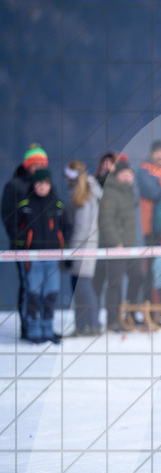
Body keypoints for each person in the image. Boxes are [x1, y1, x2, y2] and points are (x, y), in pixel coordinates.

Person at [14, 169, 68, 344]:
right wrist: (23, 244)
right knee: (33, 294)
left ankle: (48, 329)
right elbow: (15, 229)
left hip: (52, 258)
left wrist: (65, 250)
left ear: (50, 184)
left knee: (50, 295)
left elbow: (66, 228)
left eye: (45, 183)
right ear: (33, 184)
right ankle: (33, 330)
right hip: (32, 258)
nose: (42, 187)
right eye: (39, 183)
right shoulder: (25, 205)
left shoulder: (58, 204)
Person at [3, 144, 49, 340]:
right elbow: (8, 216)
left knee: (46, 289)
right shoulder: (15, 185)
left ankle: (41, 327)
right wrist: (21, 239)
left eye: (42, 164)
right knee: (28, 288)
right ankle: (27, 328)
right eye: (35, 164)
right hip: (25, 249)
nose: (38, 167)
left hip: (45, 249)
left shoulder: (46, 185)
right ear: (27, 165)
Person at [98, 160, 145, 332]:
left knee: (138, 277)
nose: (128, 176)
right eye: (124, 173)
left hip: (132, 246)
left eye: (130, 173)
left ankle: (130, 315)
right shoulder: (110, 192)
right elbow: (105, 221)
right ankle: (112, 321)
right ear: (117, 175)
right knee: (115, 284)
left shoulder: (131, 192)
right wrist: (115, 241)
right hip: (116, 247)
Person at [64, 161, 102, 337]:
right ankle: (82, 326)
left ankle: (92, 325)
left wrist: (72, 252)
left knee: (84, 288)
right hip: (81, 248)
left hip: (83, 249)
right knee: (79, 288)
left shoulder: (85, 196)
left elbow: (82, 228)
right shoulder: (83, 193)